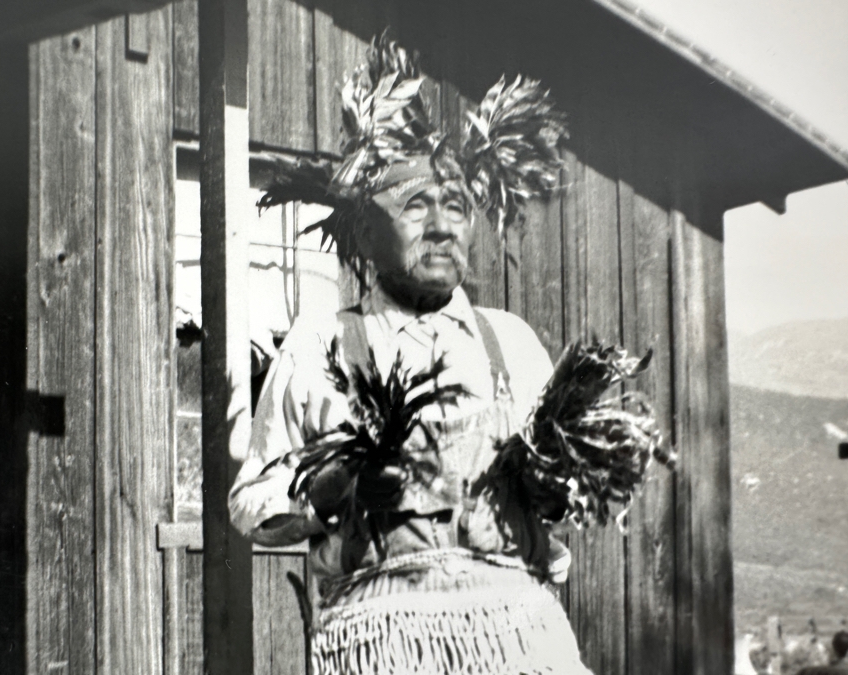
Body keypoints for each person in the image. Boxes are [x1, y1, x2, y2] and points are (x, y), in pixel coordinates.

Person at [229, 33, 592, 675]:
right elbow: (252, 506)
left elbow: (561, 512)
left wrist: (555, 488)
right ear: (368, 230)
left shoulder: (512, 345)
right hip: (379, 641)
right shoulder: (320, 346)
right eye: (415, 206)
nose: (442, 227)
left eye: (456, 207)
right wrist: (330, 488)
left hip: (519, 636)